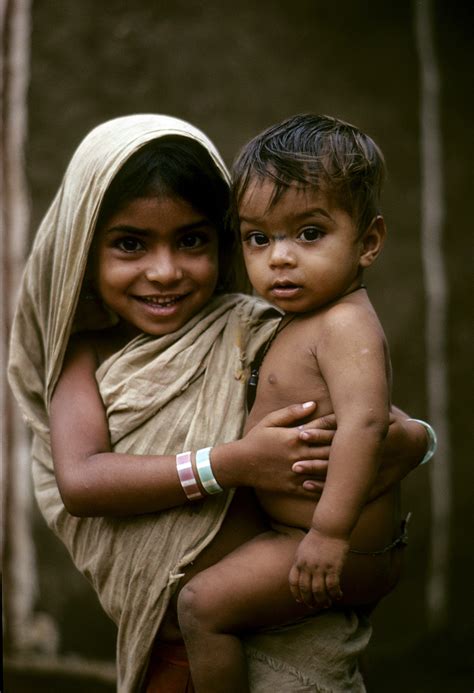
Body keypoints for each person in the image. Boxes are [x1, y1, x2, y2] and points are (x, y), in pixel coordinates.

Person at [8, 114, 433, 693]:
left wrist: (415, 441)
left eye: (192, 241)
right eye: (130, 244)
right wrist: (234, 463)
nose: (165, 271)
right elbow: (82, 483)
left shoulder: (253, 326)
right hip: (177, 647)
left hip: (291, 617)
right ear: (83, 245)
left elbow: (377, 422)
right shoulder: (81, 360)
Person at [176, 114, 437, 693]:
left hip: (331, 542)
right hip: (306, 533)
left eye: (309, 233)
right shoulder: (296, 319)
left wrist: (327, 535)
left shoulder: (345, 324)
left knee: (199, 605)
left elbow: (367, 424)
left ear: (368, 242)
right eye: (258, 238)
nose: (280, 258)